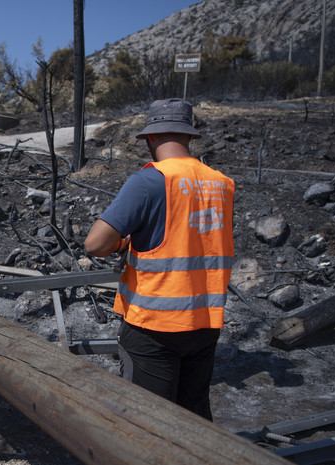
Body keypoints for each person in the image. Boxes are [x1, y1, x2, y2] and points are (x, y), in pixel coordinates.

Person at [84, 99, 234, 420]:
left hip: (153, 327)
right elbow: (191, 238)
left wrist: (120, 242)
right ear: (189, 138)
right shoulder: (222, 184)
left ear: (150, 138)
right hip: (205, 324)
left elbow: (95, 244)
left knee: (148, 423)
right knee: (193, 419)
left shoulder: (150, 180)